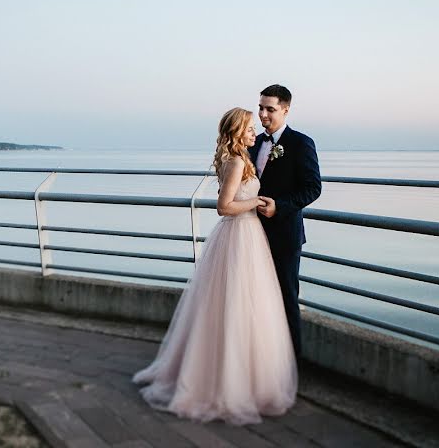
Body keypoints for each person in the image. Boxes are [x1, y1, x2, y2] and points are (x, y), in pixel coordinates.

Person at [133, 107, 297, 425]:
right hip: (240, 234)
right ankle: (228, 383)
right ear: (237, 131)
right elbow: (224, 206)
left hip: (244, 237)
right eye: (249, 128)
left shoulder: (235, 158)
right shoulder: (236, 161)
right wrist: (258, 203)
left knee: (233, 306)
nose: (254, 132)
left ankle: (236, 375)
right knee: (237, 305)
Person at [249, 84, 322, 357]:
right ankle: (262, 358)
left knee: (286, 298)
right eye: (260, 108)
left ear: (286, 110)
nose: (263, 114)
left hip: (284, 235)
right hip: (251, 233)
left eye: (270, 109)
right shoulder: (253, 142)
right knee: (255, 297)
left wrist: (279, 206)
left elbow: (312, 188)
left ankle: (292, 365)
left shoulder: (301, 143)